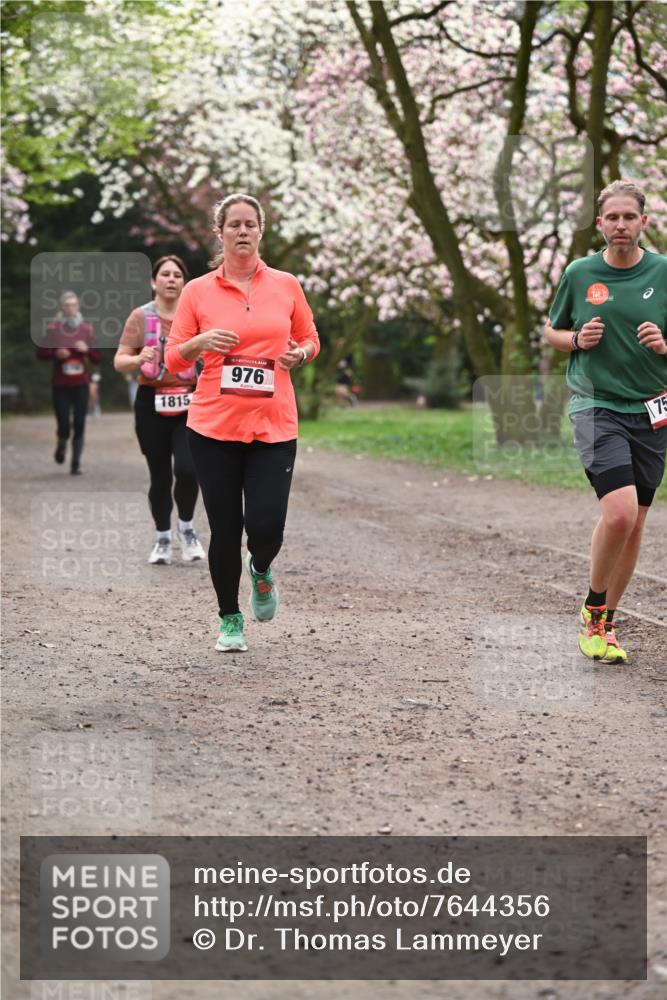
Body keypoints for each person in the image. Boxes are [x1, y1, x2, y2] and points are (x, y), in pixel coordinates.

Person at [164, 193, 319, 652]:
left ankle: (261, 568)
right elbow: (173, 356)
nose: (243, 231)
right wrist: (200, 342)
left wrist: (300, 353)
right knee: (226, 527)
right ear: (220, 232)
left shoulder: (287, 285)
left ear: (261, 230)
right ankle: (230, 618)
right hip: (213, 428)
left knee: (267, 525)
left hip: (274, 426)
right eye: (234, 224)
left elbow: (310, 338)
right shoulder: (197, 291)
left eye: (251, 224)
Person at [546, 179, 667, 663]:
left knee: (635, 524)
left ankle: (607, 623)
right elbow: (552, 330)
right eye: (612, 217)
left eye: (629, 217)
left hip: (653, 409)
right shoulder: (580, 273)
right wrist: (576, 341)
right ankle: (594, 608)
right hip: (595, 405)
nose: (621, 225)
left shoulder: (663, 271)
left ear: (643, 222)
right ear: (600, 224)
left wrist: (664, 344)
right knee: (618, 512)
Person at [114, 256, 205, 566]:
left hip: (188, 402)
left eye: (177, 275)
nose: (170, 279)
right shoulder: (140, 317)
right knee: (160, 475)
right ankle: (163, 537)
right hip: (150, 402)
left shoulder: (194, 316)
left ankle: (188, 529)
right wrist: (140, 359)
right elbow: (120, 360)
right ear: (154, 282)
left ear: (184, 282)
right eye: (164, 274)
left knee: (188, 469)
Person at [37, 291, 101, 475]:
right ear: (62, 308)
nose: (71, 308)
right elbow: (40, 353)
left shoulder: (87, 329)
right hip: (61, 385)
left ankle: (76, 463)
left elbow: (97, 358)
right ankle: (61, 442)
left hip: (81, 384)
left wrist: (87, 350)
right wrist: (55, 353)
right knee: (64, 424)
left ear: (78, 307)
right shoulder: (53, 329)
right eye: (67, 305)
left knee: (80, 423)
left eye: (74, 305)